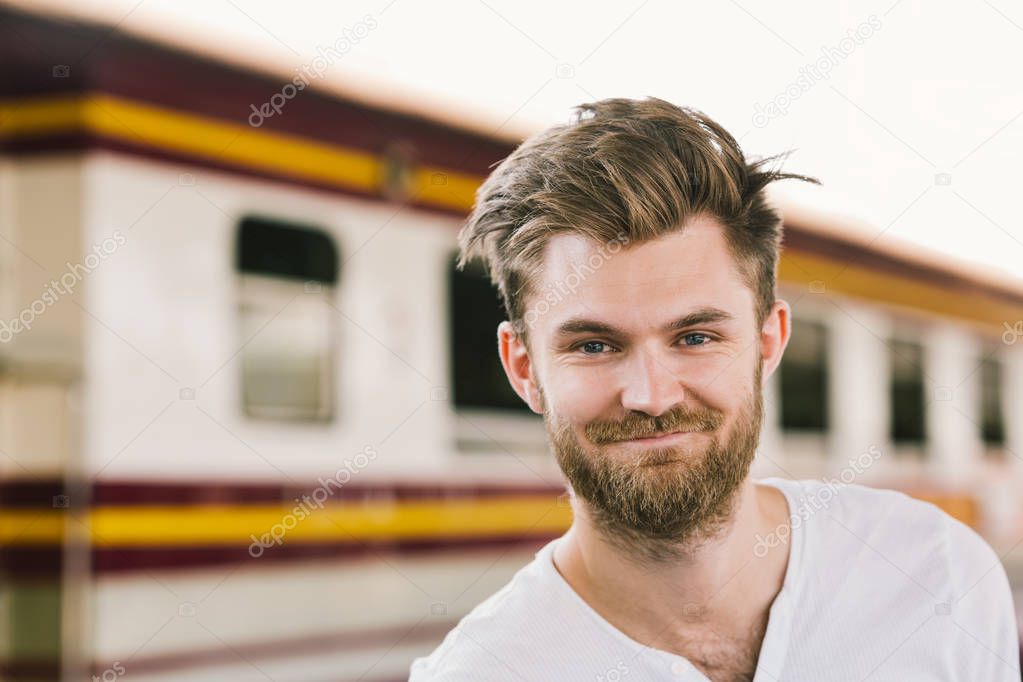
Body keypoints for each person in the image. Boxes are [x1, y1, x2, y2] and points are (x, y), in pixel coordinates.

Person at [409, 97, 1019, 681]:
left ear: (768, 340)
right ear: (523, 368)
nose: (652, 395)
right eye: (594, 346)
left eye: (695, 337)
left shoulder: (940, 575)